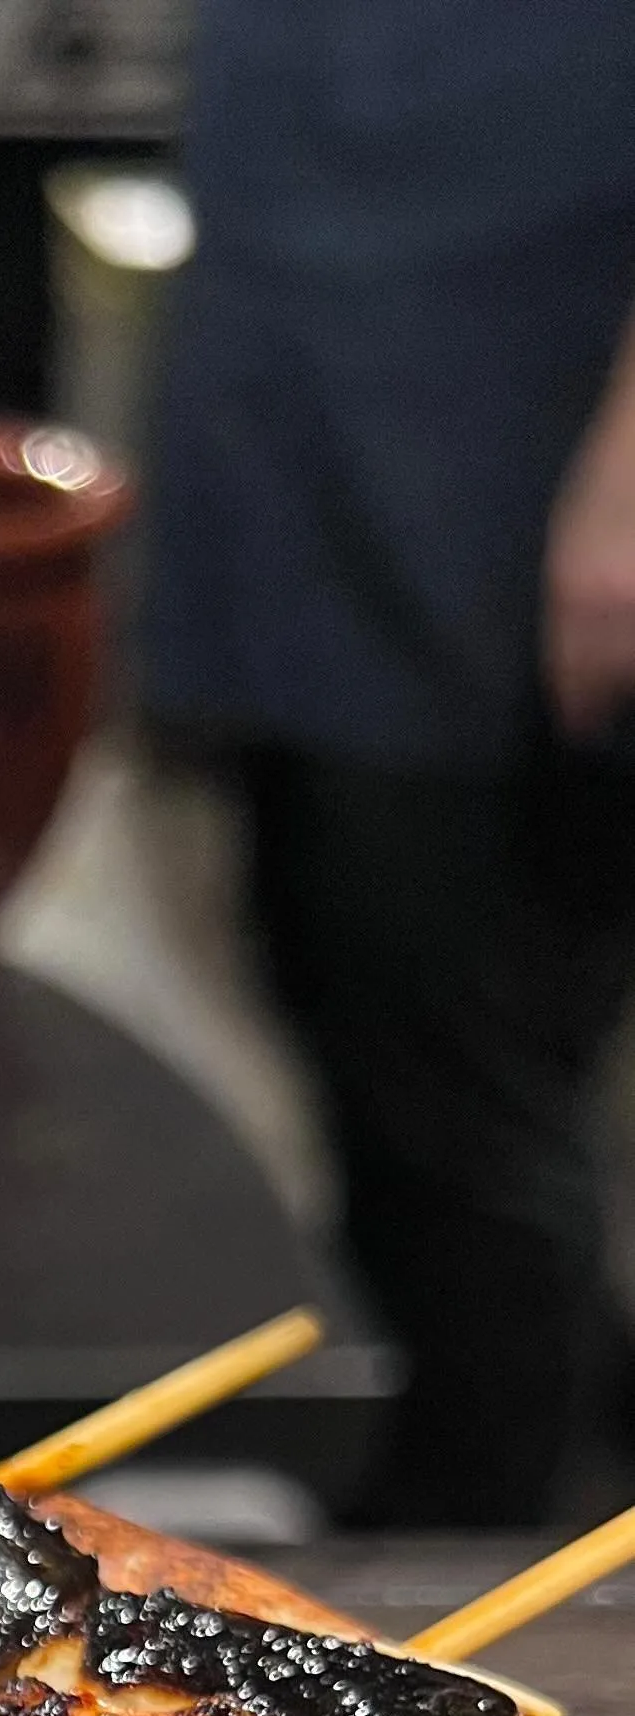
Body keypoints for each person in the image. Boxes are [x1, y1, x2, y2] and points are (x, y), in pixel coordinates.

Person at [142, 3, 635, 1523]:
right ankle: (453, 1452)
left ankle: (496, 1557)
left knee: (471, 1072)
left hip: (511, 469)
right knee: (340, 975)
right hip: (320, 432)